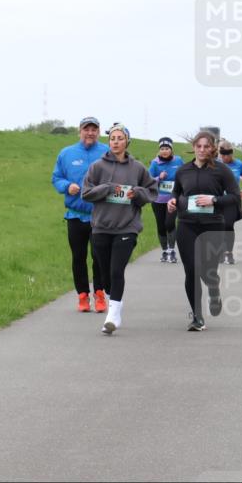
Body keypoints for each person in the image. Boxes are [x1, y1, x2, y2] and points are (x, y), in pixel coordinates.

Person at [81, 124, 158, 335]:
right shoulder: (97, 167)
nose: (115, 141)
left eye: (119, 138)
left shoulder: (138, 168)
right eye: (112, 138)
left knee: (117, 270)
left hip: (127, 227)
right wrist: (105, 188)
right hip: (101, 227)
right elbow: (85, 193)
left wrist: (137, 193)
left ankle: (113, 315)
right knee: (105, 275)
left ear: (127, 142)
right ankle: (112, 296)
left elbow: (152, 191)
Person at [167, 131, 241, 331]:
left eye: (206, 146)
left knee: (208, 271)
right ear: (194, 147)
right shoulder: (183, 170)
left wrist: (214, 200)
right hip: (187, 224)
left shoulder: (221, 170)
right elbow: (176, 192)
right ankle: (197, 317)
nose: (202, 150)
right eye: (198, 146)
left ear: (213, 148)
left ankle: (214, 288)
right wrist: (173, 202)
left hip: (213, 226)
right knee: (191, 270)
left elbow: (235, 196)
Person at [52, 117, 110, 313]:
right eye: (87, 129)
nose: (90, 133)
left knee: (99, 256)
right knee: (79, 257)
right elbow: (56, 177)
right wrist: (67, 186)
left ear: (99, 132)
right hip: (75, 215)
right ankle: (83, 296)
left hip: (100, 215)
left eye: (94, 129)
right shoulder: (67, 153)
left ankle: (100, 294)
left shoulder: (106, 152)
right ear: (80, 131)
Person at [148, 137, 183, 263]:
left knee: (170, 223)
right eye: (162, 149)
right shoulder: (155, 163)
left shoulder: (178, 160)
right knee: (161, 226)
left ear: (171, 150)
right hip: (157, 200)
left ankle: (171, 250)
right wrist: (159, 178)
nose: (164, 151)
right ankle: (164, 251)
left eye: (167, 148)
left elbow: (184, 175)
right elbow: (148, 180)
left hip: (172, 199)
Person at [218, 140, 242, 264]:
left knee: (228, 225)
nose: (225, 157)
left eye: (227, 155)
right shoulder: (215, 164)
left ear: (232, 153)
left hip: (232, 199)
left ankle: (228, 253)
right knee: (218, 226)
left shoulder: (239, 164)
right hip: (217, 200)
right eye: (222, 155)